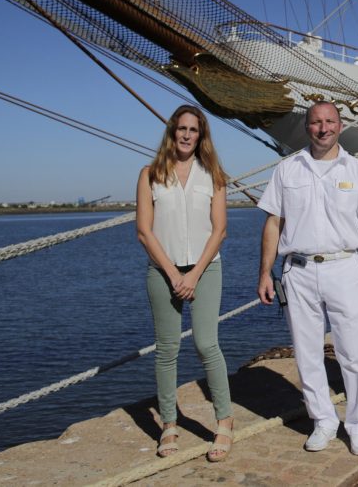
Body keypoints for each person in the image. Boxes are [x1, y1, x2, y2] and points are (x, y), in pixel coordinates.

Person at [256, 101, 358, 456]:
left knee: (354, 352)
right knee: (307, 353)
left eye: (330, 121)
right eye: (316, 122)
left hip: (344, 267)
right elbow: (273, 223)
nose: (323, 128)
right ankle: (324, 421)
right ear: (307, 127)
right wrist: (265, 272)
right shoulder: (287, 170)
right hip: (297, 271)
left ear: (340, 126)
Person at [136, 104, 233, 462]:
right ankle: (169, 425)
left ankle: (224, 421)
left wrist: (192, 275)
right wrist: (174, 274)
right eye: (181, 128)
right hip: (163, 271)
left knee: (208, 345)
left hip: (205, 270)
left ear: (201, 135)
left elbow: (220, 229)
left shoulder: (214, 174)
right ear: (172, 132)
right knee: (166, 350)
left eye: (193, 130)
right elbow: (144, 232)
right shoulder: (150, 174)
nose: (187, 135)